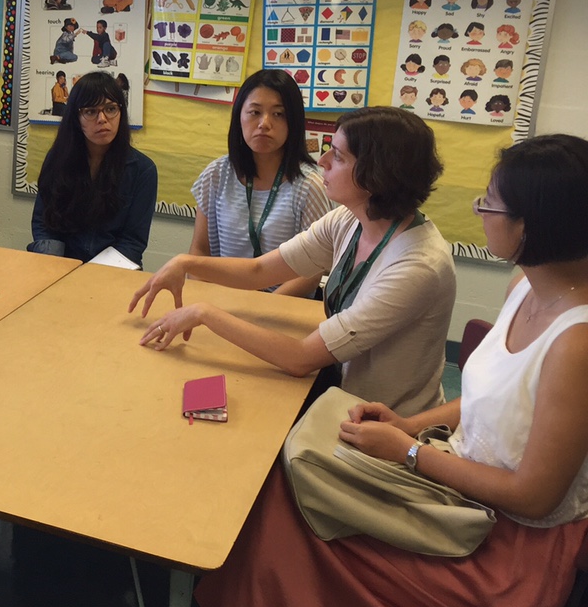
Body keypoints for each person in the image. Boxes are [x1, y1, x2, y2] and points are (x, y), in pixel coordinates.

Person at [185, 134, 588, 607]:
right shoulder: (526, 285)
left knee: (287, 524)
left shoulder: (576, 342)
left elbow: (534, 496)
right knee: (279, 494)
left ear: (533, 224)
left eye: (489, 204)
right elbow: (496, 400)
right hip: (460, 481)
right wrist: (409, 427)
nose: (480, 212)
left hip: (509, 547)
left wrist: (411, 452)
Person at [131, 107, 455, 416]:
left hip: (384, 424)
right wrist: (186, 263)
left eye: (338, 156)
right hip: (339, 392)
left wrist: (203, 312)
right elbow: (260, 271)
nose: (323, 161)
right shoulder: (349, 218)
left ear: (377, 174)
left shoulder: (416, 265)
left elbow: (300, 359)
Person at [189, 69, 331, 297]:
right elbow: (199, 249)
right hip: (220, 300)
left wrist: (261, 309)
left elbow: (312, 271)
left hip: (280, 307)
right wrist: (201, 298)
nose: (264, 124)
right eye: (254, 112)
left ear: (293, 122)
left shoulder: (309, 185)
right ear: (239, 117)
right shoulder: (216, 174)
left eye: (278, 114)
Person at [29, 71, 157, 267]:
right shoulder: (58, 159)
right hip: (59, 265)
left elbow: (132, 241)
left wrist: (90, 276)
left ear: (121, 112)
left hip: (114, 271)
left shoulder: (143, 170)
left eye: (111, 108)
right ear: (76, 117)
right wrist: (55, 269)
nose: (102, 119)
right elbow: (44, 222)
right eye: (91, 111)